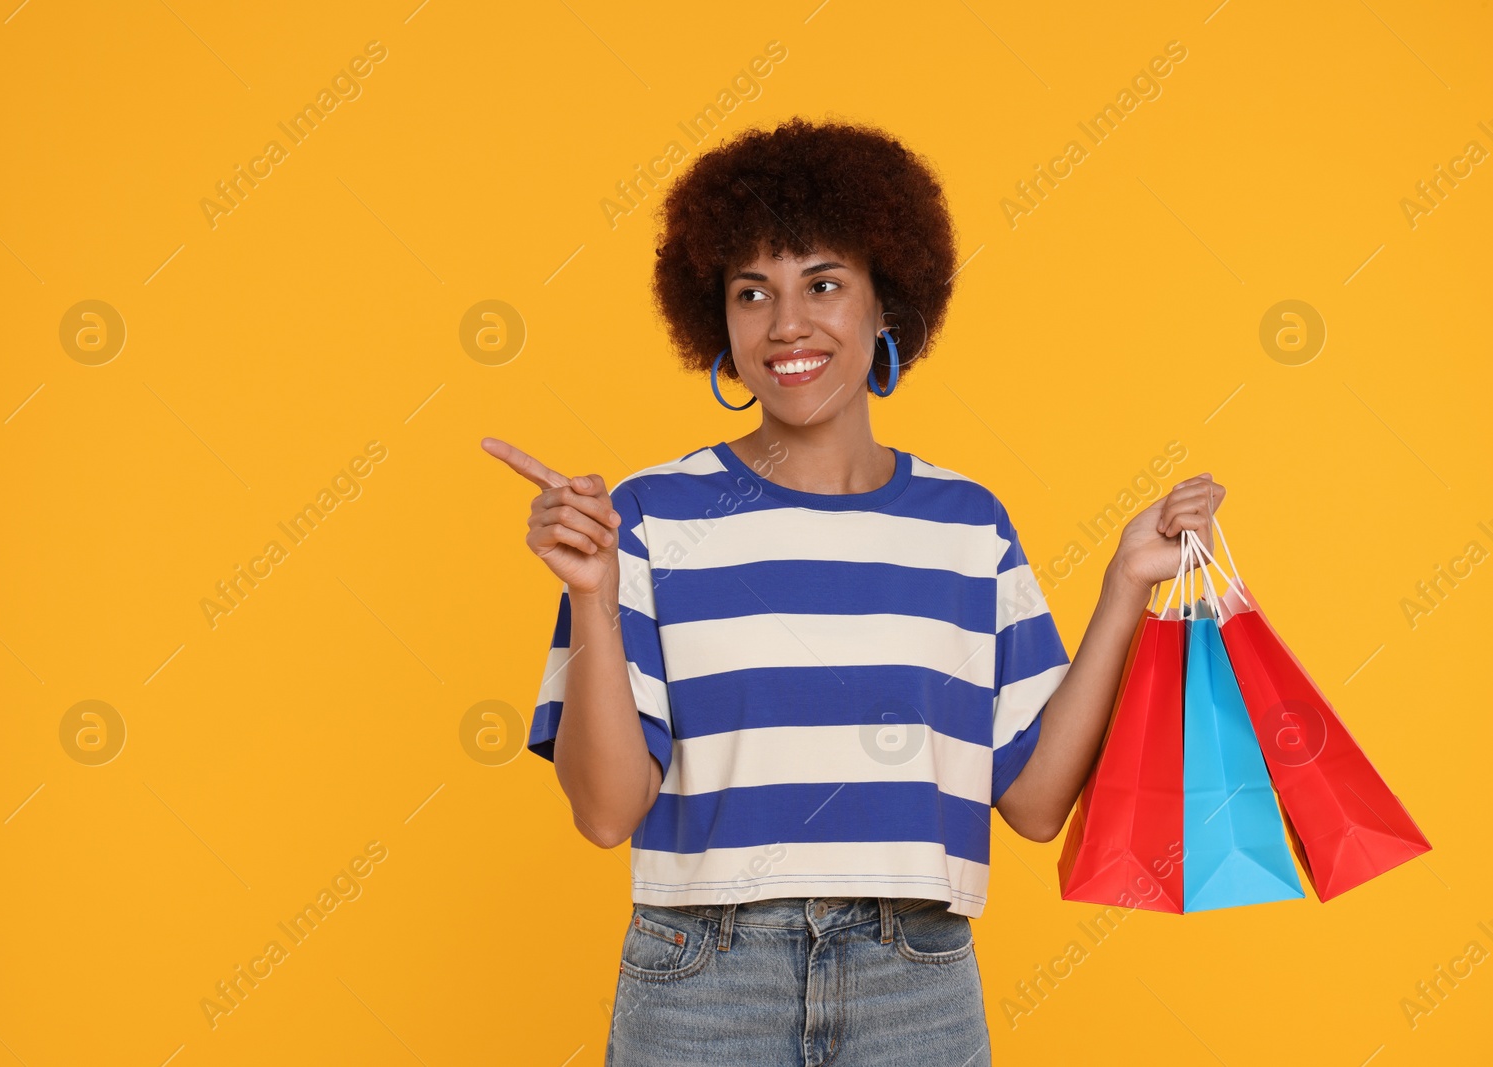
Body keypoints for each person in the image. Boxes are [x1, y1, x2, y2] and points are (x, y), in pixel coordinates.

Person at [483, 117, 1225, 1066]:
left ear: (886, 306)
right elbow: (604, 812)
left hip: (915, 976)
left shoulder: (966, 524)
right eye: (754, 293)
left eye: (823, 284)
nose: (787, 323)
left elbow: (1037, 802)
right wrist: (592, 593)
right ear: (719, 322)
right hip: (704, 980)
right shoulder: (647, 520)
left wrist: (1125, 583)